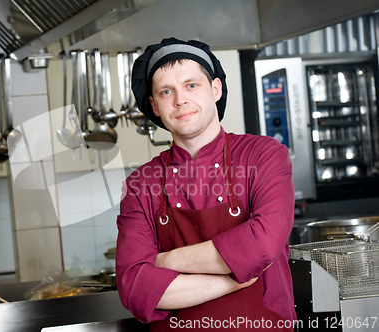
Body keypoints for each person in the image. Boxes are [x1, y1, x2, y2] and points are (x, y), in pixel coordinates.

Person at [116, 37, 297, 331]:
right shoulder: (141, 184)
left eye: (191, 85)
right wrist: (233, 278)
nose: (180, 100)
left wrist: (164, 261)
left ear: (215, 89)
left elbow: (262, 246)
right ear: (155, 106)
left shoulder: (263, 155)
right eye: (166, 92)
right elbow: (134, 287)